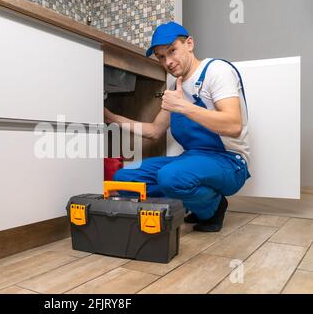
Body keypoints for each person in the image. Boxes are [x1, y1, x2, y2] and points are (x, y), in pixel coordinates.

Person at [104, 21, 251, 232]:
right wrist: (112, 118)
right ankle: (191, 202)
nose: (168, 62)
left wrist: (183, 106)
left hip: (229, 161)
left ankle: (213, 206)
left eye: (172, 51)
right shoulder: (176, 86)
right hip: (192, 158)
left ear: (189, 44)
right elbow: (154, 130)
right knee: (123, 179)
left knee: (170, 177)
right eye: (161, 57)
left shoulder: (217, 71)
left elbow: (234, 124)